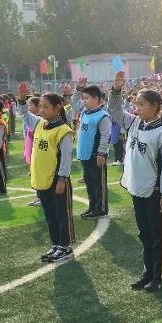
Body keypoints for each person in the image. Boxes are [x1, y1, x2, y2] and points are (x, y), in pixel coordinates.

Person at [108, 72, 162, 291]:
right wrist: (116, 90)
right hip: (138, 189)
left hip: (155, 192)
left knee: (158, 236)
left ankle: (161, 276)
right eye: (136, 103)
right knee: (145, 235)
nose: (136, 108)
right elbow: (115, 110)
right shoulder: (135, 123)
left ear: (155, 106)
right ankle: (148, 273)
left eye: (141, 104)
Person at [17, 86, 76, 262]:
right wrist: (21, 99)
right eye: (40, 107)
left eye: (46, 107)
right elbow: (24, 115)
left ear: (58, 108)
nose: (41, 110)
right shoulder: (40, 123)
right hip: (43, 179)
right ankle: (56, 244)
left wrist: (62, 179)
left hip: (57, 180)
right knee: (50, 214)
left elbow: (66, 159)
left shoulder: (63, 130)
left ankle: (65, 247)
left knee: (61, 214)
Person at [71, 81, 112, 219]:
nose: (84, 101)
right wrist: (78, 88)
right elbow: (74, 102)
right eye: (84, 98)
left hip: (95, 155)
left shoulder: (102, 116)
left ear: (97, 99)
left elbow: (105, 136)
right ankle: (92, 206)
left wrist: (101, 153)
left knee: (98, 183)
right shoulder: (84, 112)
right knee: (89, 183)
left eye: (87, 98)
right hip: (84, 155)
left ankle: (101, 208)